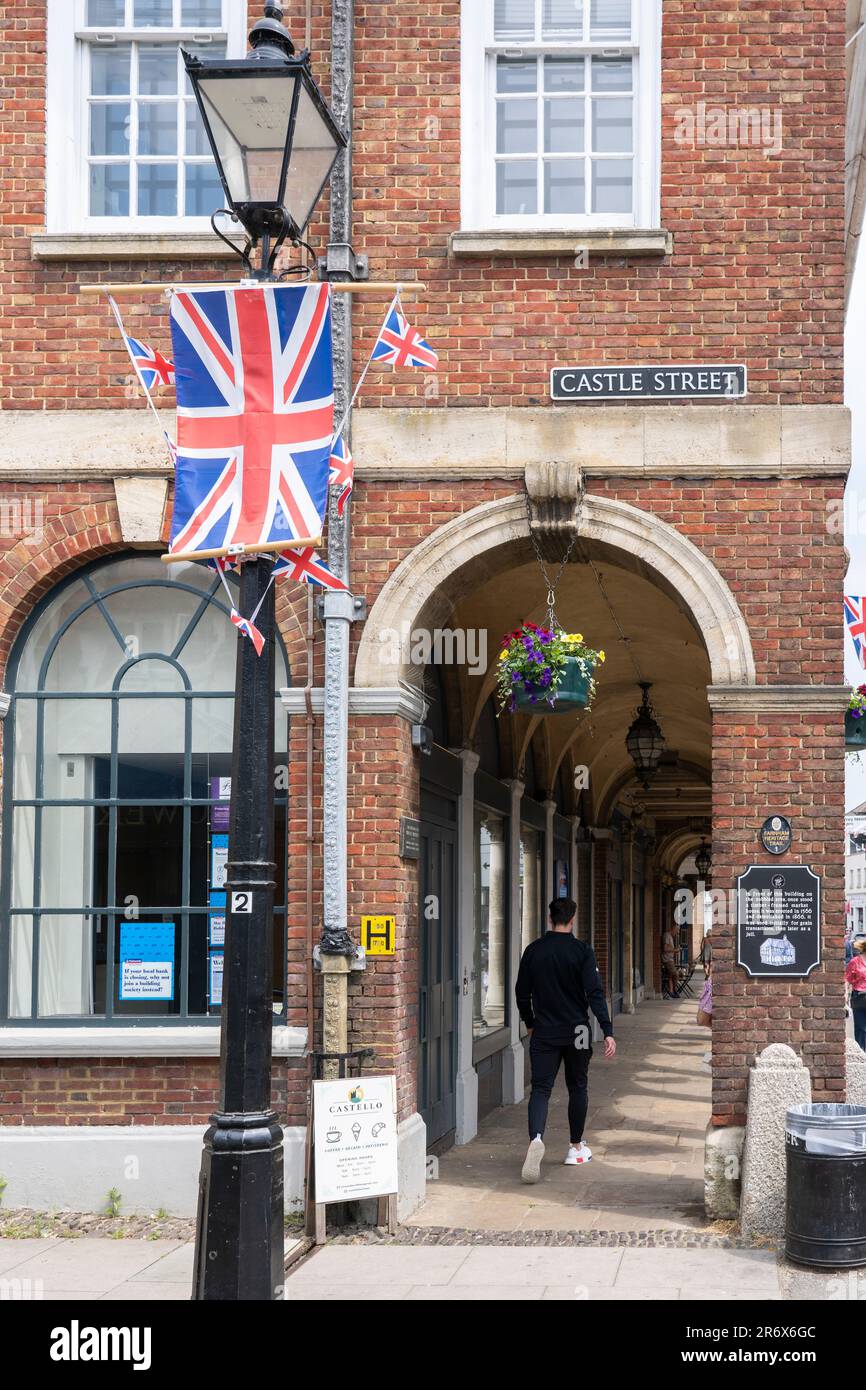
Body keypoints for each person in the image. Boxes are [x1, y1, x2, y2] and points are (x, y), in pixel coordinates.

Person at [515, 897, 616, 1184]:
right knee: (578, 1087)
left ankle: (536, 1138)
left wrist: (530, 1022)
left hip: (545, 1031)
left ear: (550, 919)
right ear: (572, 920)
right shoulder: (582, 951)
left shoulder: (533, 951)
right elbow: (594, 993)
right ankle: (576, 1147)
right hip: (578, 1033)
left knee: (541, 1090)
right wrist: (607, 1030)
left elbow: (521, 992)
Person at [846, 937, 866, 1053]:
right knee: (861, 1028)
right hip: (860, 998)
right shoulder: (855, 961)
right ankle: (862, 1054)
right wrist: (845, 997)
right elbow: (847, 979)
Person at [662, 923, 679, 996]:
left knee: (670, 976)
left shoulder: (671, 937)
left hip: (670, 959)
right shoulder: (667, 936)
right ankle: (675, 989)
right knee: (675, 974)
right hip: (667, 960)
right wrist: (675, 950)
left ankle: (671, 991)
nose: (677, 932)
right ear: (673, 929)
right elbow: (665, 949)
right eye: (677, 930)